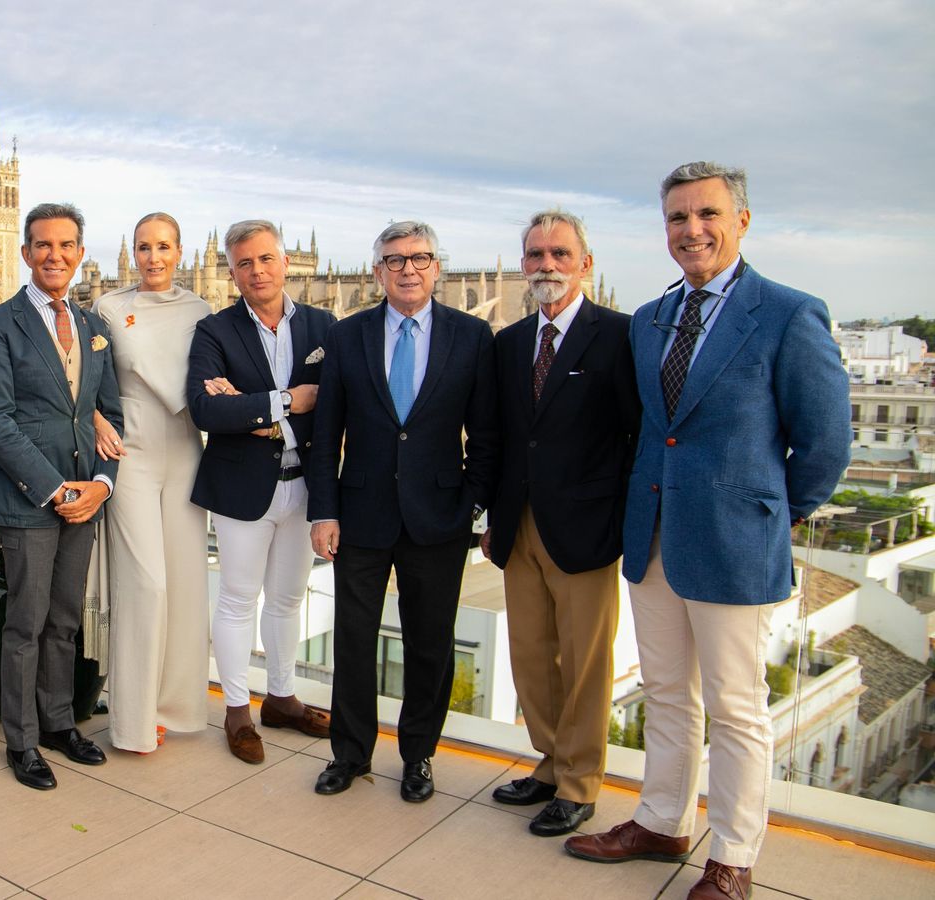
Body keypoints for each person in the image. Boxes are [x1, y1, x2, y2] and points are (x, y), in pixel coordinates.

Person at [565, 163, 851, 900]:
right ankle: (661, 821)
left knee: (736, 706)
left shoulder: (789, 313)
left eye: (706, 215)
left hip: (733, 540)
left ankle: (733, 856)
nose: (691, 230)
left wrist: (770, 515)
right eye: (676, 218)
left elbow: (824, 444)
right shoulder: (654, 317)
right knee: (665, 691)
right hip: (652, 532)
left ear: (742, 221)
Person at [307, 220, 495, 802]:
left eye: (419, 258)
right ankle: (350, 755)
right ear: (377, 271)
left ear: (437, 268)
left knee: (430, 644)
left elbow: (486, 434)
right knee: (355, 641)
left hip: (439, 517)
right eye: (395, 260)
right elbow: (326, 429)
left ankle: (418, 757)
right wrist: (324, 510)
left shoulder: (472, 336)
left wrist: (472, 505)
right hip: (360, 513)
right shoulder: (348, 335)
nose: (407, 269)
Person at [481, 210, 639, 836]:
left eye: (560, 254)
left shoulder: (619, 336)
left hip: (588, 529)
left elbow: (635, 437)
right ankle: (550, 763)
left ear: (585, 263)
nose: (547, 265)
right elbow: (497, 437)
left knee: (585, 662)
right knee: (530, 655)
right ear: (523, 264)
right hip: (518, 525)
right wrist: (492, 517)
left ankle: (580, 783)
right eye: (536, 255)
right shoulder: (511, 342)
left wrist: (623, 520)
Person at [0, 202, 123, 790]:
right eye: (42, 245)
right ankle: (23, 742)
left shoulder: (95, 329)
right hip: (28, 500)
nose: (54, 255)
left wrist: (101, 486)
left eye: (66, 246)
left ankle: (60, 724)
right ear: (27, 252)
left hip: (86, 496)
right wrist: (57, 489)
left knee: (65, 621)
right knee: (26, 624)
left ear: (80, 253)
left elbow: (110, 414)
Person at [187, 219, 335, 765]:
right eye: (244, 263)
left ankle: (281, 697)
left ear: (286, 262)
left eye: (266, 259)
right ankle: (235, 709)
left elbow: (336, 404)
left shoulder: (323, 325)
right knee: (236, 598)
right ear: (231, 272)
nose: (257, 271)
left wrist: (251, 407)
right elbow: (208, 409)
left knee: (289, 599)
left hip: (306, 484)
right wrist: (289, 402)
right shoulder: (215, 331)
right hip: (242, 486)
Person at [91, 212, 212, 754]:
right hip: (130, 450)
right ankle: (133, 719)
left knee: (185, 583)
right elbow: (86, 380)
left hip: (186, 448)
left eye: (164, 246)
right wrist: (96, 422)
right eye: (144, 247)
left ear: (181, 251)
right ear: (132, 254)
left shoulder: (202, 309)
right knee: (146, 584)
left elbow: (212, 378)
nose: (154, 257)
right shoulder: (109, 308)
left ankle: (174, 708)